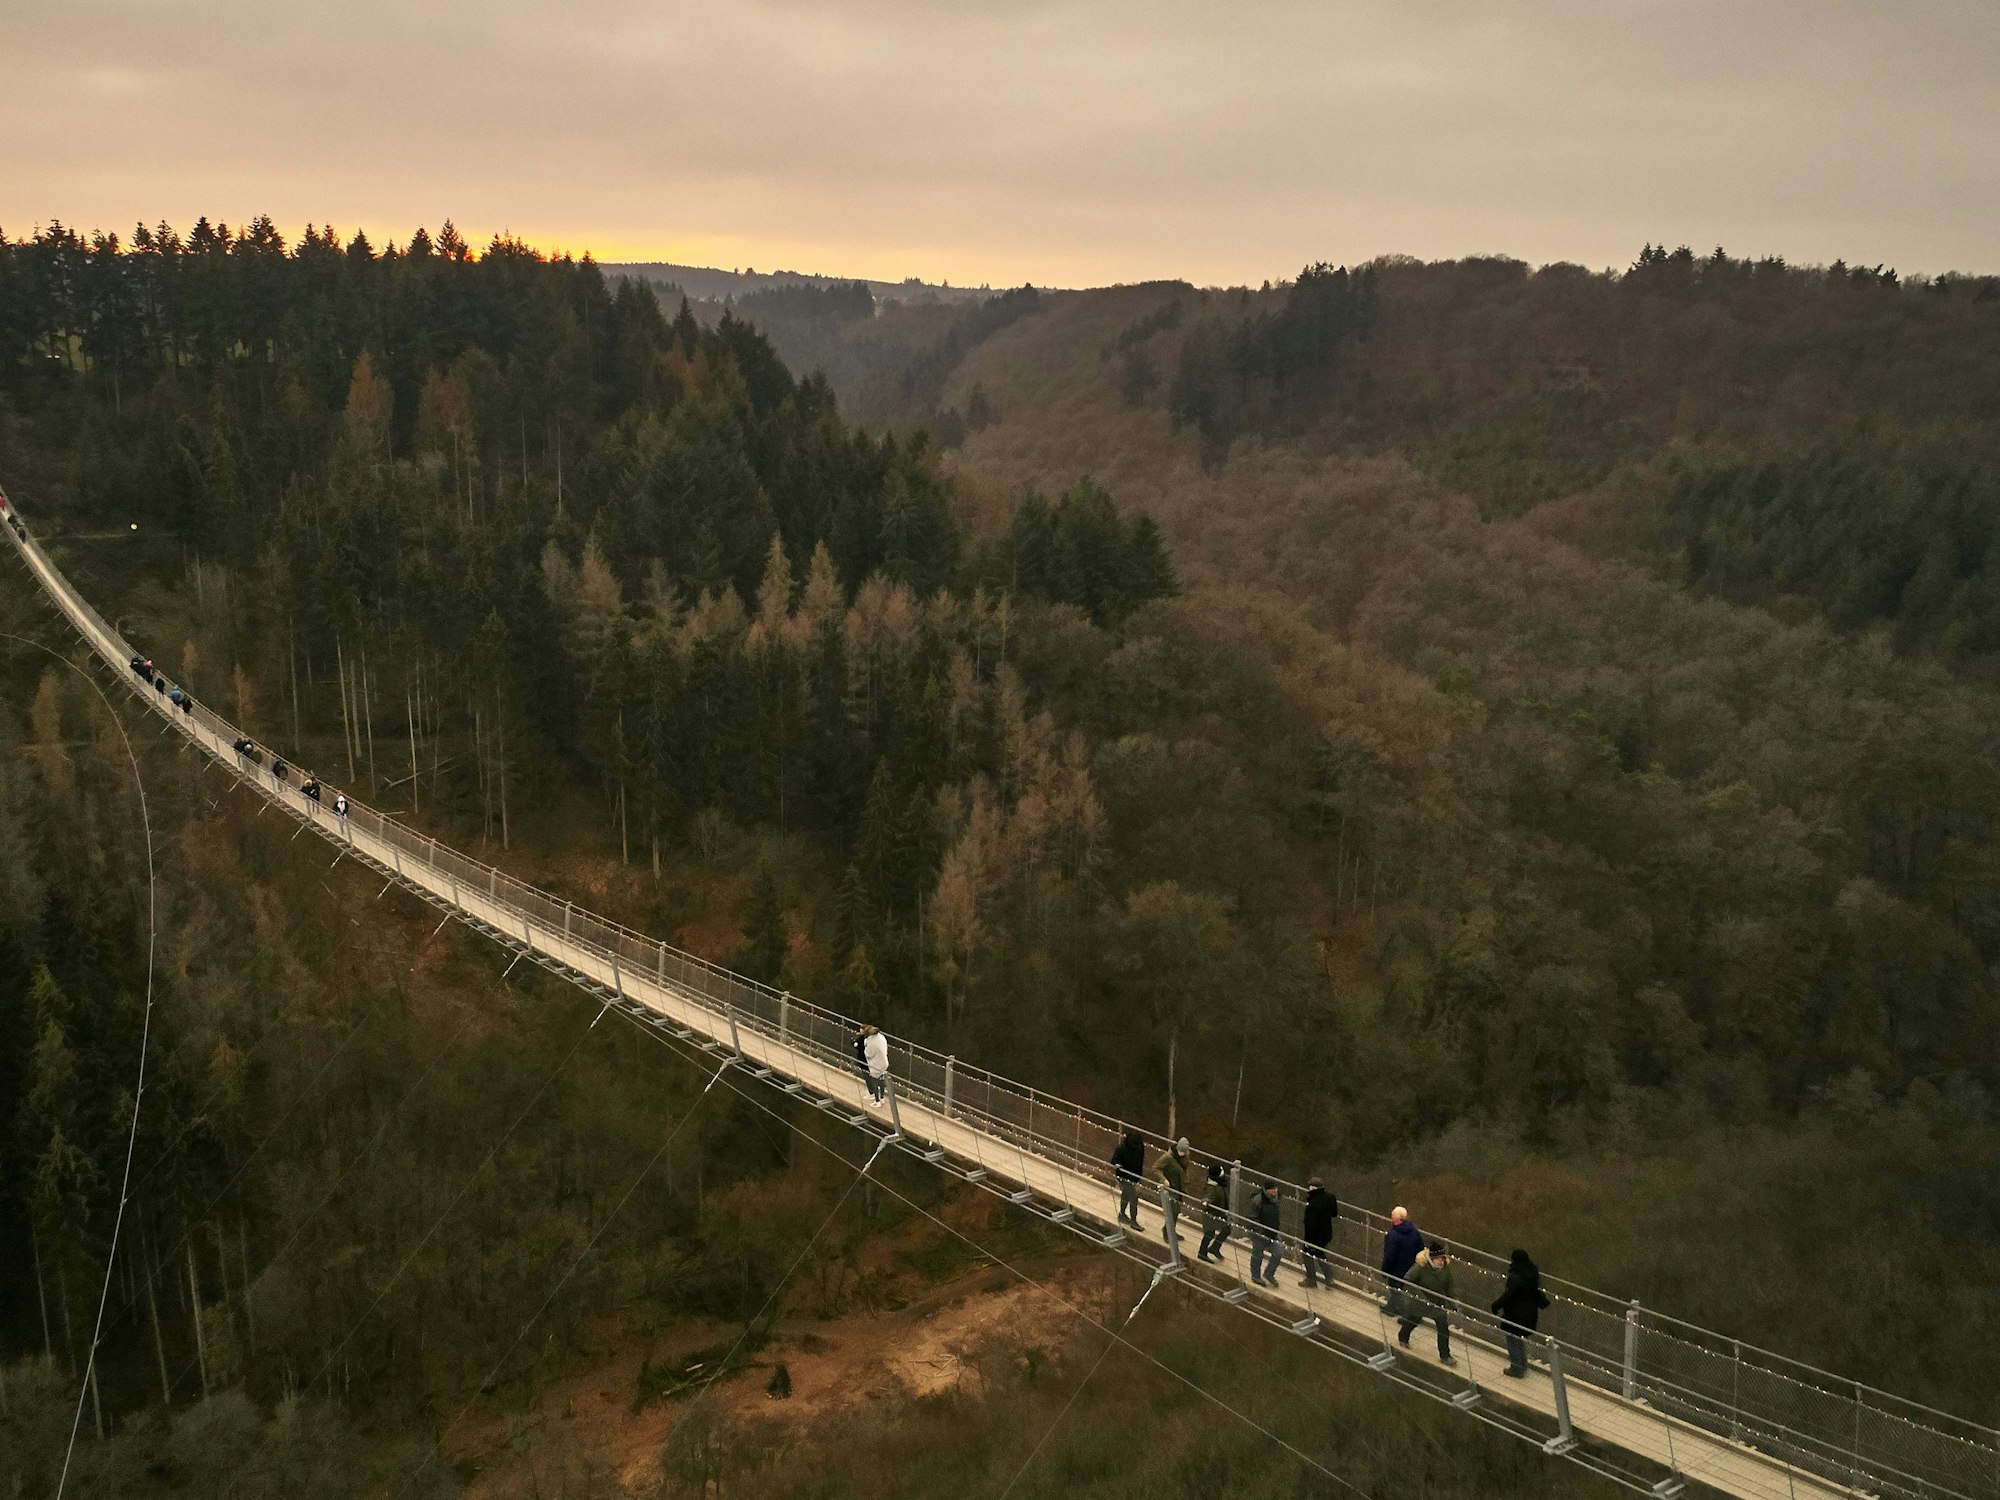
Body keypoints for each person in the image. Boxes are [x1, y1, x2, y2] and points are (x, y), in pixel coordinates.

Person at [1492, 1248, 1550, 1378]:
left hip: (1515, 1314)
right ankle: (1522, 1364)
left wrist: (1495, 1306)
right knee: (1518, 1338)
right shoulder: (1532, 1273)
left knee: (1512, 1338)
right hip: (1529, 1313)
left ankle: (1516, 1368)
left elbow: (1508, 1296)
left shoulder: (1515, 1277)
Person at [1398, 1241, 1455, 1364]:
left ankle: (1445, 1355)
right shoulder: (1420, 1267)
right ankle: (1403, 1337)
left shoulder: (1445, 1269)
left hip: (1437, 1303)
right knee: (1414, 1320)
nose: (1441, 1261)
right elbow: (1408, 1280)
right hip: (1420, 1302)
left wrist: (1454, 1303)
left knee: (1443, 1328)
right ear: (1432, 1259)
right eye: (1438, 1259)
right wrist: (1421, 1297)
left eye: (1442, 1258)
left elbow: (1449, 1286)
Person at [1382, 1206, 1423, 1316]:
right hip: (1410, 1266)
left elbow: (1389, 1255)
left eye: (1392, 1215)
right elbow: (1420, 1247)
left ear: (1396, 1219)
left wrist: (1384, 1269)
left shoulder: (1393, 1236)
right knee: (1401, 1289)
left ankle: (1404, 1313)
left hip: (1396, 1268)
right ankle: (1391, 1308)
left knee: (1395, 1289)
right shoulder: (1414, 1231)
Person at [1300, 1176, 1339, 1289]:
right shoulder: (1330, 1197)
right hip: (1326, 1233)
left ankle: (1311, 1279)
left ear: (1313, 1187)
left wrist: (1308, 1241)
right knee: (1320, 1254)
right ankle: (1329, 1279)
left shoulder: (1313, 1203)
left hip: (1314, 1235)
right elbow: (1334, 1213)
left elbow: (1310, 1224)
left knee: (1307, 1254)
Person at [1154, 1136, 1189, 1246]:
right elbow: (1155, 1167)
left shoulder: (1184, 1157)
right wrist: (1163, 1179)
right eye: (1181, 1151)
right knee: (1172, 1211)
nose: (1183, 1153)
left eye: (1184, 1152)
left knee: (1176, 1211)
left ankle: (1170, 1231)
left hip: (1179, 1188)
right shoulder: (1168, 1157)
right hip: (1171, 1188)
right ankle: (1167, 1232)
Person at [1249, 1181, 1283, 1286]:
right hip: (1260, 1233)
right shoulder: (1258, 1200)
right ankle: (1256, 1276)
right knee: (1258, 1254)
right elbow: (1252, 1218)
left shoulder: (1275, 1199)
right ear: (1268, 1190)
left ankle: (1269, 1273)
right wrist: (1260, 1231)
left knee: (1278, 1253)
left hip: (1272, 1232)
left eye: (1276, 1188)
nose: (1276, 1190)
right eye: (1273, 1189)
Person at [1111, 1131, 1147, 1229]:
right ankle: (1133, 1221)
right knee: (1133, 1197)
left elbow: (1140, 1161)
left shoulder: (1140, 1147)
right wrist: (1118, 1165)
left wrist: (1138, 1175)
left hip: (1134, 1176)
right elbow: (1114, 1160)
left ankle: (1122, 1214)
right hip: (1124, 1176)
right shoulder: (1121, 1148)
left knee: (1126, 1195)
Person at [1197, 1162, 1232, 1262]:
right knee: (1209, 1233)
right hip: (1211, 1213)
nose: (1223, 1173)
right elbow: (1209, 1197)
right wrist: (1206, 1202)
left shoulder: (1221, 1183)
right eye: (1221, 1171)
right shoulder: (1213, 1186)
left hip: (1219, 1211)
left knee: (1226, 1229)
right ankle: (1202, 1252)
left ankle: (1214, 1248)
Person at [862, 1025, 889, 1104]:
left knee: (874, 1081)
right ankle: (882, 1097)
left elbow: (869, 1054)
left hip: (876, 1064)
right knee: (881, 1080)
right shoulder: (881, 1037)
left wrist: (865, 1048)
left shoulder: (871, 1041)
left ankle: (877, 1101)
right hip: (884, 1062)